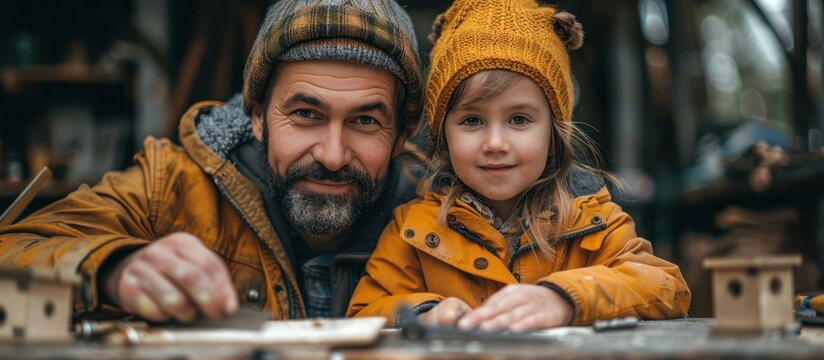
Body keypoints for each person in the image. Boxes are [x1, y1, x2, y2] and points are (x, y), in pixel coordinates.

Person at [0, 0, 424, 322]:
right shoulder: (172, 186)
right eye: (305, 114)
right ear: (257, 116)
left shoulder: (438, 215)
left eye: (365, 121)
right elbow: (13, 254)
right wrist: (113, 267)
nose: (332, 156)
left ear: (401, 136)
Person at [346, 0, 691, 332]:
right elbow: (366, 309)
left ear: (553, 133)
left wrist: (565, 299)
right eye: (472, 121)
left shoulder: (593, 219)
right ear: (443, 136)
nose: (495, 143)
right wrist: (425, 313)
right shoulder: (413, 227)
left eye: (519, 119)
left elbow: (665, 286)